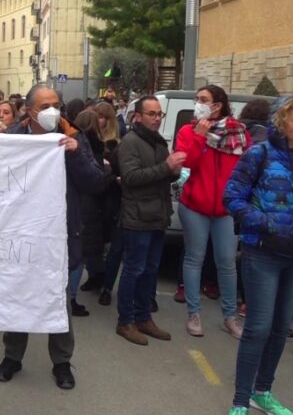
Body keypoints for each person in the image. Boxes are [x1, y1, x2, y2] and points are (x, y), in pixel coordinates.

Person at [0, 84, 104, 390]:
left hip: (59, 235)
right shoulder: (11, 140)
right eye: (45, 106)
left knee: (58, 301)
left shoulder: (73, 138)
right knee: (18, 297)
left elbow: (96, 182)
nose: (53, 111)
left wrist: (76, 153)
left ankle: (62, 363)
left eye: (56, 104)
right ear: (29, 111)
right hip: (20, 234)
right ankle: (12, 356)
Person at [223, 96, 293, 415]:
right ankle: (240, 399)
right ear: (281, 120)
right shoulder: (259, 154)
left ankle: (262, 391)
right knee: (258, 327)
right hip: (263, 253)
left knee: (280, 328)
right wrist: (264, 222)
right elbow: (232, 197)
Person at [176, 85, 249, 339]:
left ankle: (229, 317)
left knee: (227, 262)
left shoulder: (238, 132)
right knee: (194, 259)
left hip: (225, 209)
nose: (198, 103)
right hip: (195, 205)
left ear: (217, 105)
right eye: (197, 99)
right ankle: (193, 314)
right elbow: (189, 162)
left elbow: (246, 167)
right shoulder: (188, 130)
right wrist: (198, 135)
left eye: (203, 100)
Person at [115, 95, 183, 346]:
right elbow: (131, 178)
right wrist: (167, 167)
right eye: (152, 114)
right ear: (138, 116)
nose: (156, 118)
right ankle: (125, 321)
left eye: (159, 114)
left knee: (151, 270)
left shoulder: (157, 142)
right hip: (138, 217)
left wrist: (173, 173)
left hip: (158, 215)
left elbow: (160, 177)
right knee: (134, 269)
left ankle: (143, 317)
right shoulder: (130, 142)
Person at [73, 109, 118, 314]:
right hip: (88, 204)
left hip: (82, 203)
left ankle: (88, 281)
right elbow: (96, 180)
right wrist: (110, 174)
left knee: (81, 249)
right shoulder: (92, 146)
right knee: (81, 252)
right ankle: (72, 297)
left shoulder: (77, 142)